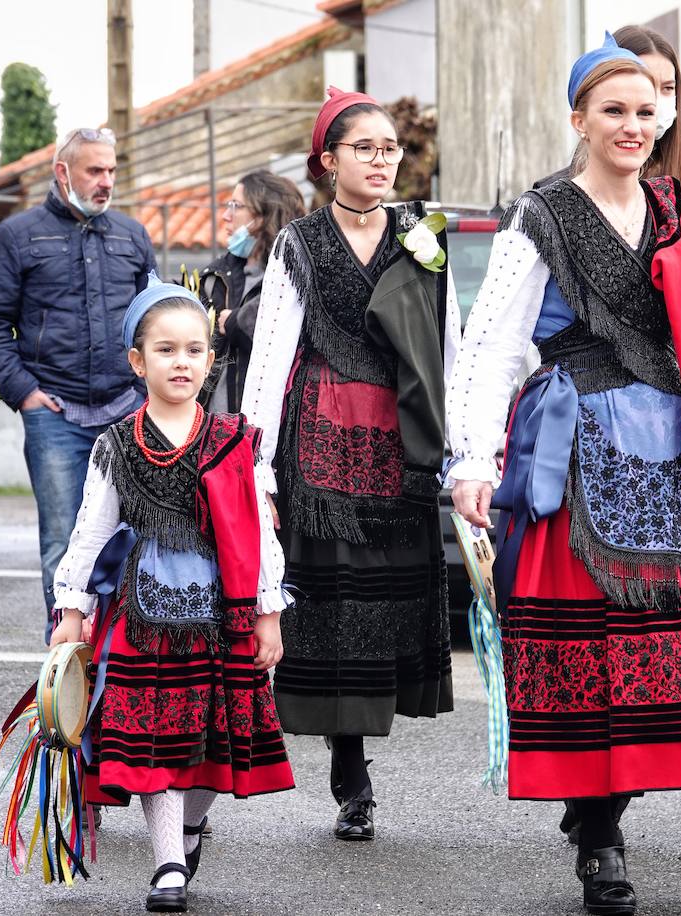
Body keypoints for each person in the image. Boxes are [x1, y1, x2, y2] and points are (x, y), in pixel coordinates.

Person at [447, 35, 681, 914]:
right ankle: (599, 839)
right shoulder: (544, 215)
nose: (633, 126)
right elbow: (493, 345)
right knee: (586, 659)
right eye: (614, 112)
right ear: (579, 120)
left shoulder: (678, 209)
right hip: (577, 451)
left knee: (662, 662)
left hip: (674, 455)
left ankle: (609, 804)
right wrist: (474, 459)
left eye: (646, 111)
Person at [241, 87, 461, 841]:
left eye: (389, 148)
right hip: (322, 454)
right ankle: (351, 771)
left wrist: (464, 452)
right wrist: (257, 468)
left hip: (400, 450)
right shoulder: (299, 244)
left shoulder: (421, 234)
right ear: (328, 161)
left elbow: (449, 347)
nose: (380, 160)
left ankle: (358, 757)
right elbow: (269, 358)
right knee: (334, 614)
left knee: (386, 603)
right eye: (362, 148)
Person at [48, 277, 293, 913]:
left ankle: (186, 830)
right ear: (138, 362)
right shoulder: (116, 446)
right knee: (159, 747)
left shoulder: (236, 442)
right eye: (165, 350)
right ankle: (167, 865)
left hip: (224, 614)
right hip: (142, 619)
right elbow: (90, 531)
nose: (180, 362)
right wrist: (73, 608)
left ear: (211, 359)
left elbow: (259, 536)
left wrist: (269, 612)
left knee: (219, 741)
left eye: (193, 350)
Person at [0, 126, 157, 642]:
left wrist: (151, 395)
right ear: (63, 173)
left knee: (138, 537)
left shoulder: (132, 235)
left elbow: (153, 316)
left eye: (112, 171)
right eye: (94, 170)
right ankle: (65, 674)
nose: (106, 181)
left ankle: (126, 663)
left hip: (128, 412)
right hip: (55, 417)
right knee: (62, 542)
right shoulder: (17, 235)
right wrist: (23, 394)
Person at [197, 171, 306, 413]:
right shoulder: (214, 276)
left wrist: (238, 321)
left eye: (236, 206)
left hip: (269, 426)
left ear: (263, 216)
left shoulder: (293, 279)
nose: (226, 216)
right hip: (214, 427)